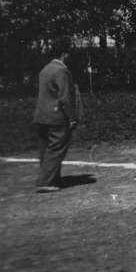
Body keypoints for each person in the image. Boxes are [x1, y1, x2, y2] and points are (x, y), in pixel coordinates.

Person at [33, 37, 84, 193]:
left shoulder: (45, 69)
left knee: (46, 149)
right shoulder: (62, 70)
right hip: (56, 117)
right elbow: (65, 97)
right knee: (56, 148)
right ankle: (46, 181)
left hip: (41, 115)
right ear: (64, 54)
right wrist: (72, 118)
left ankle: (52, 178)